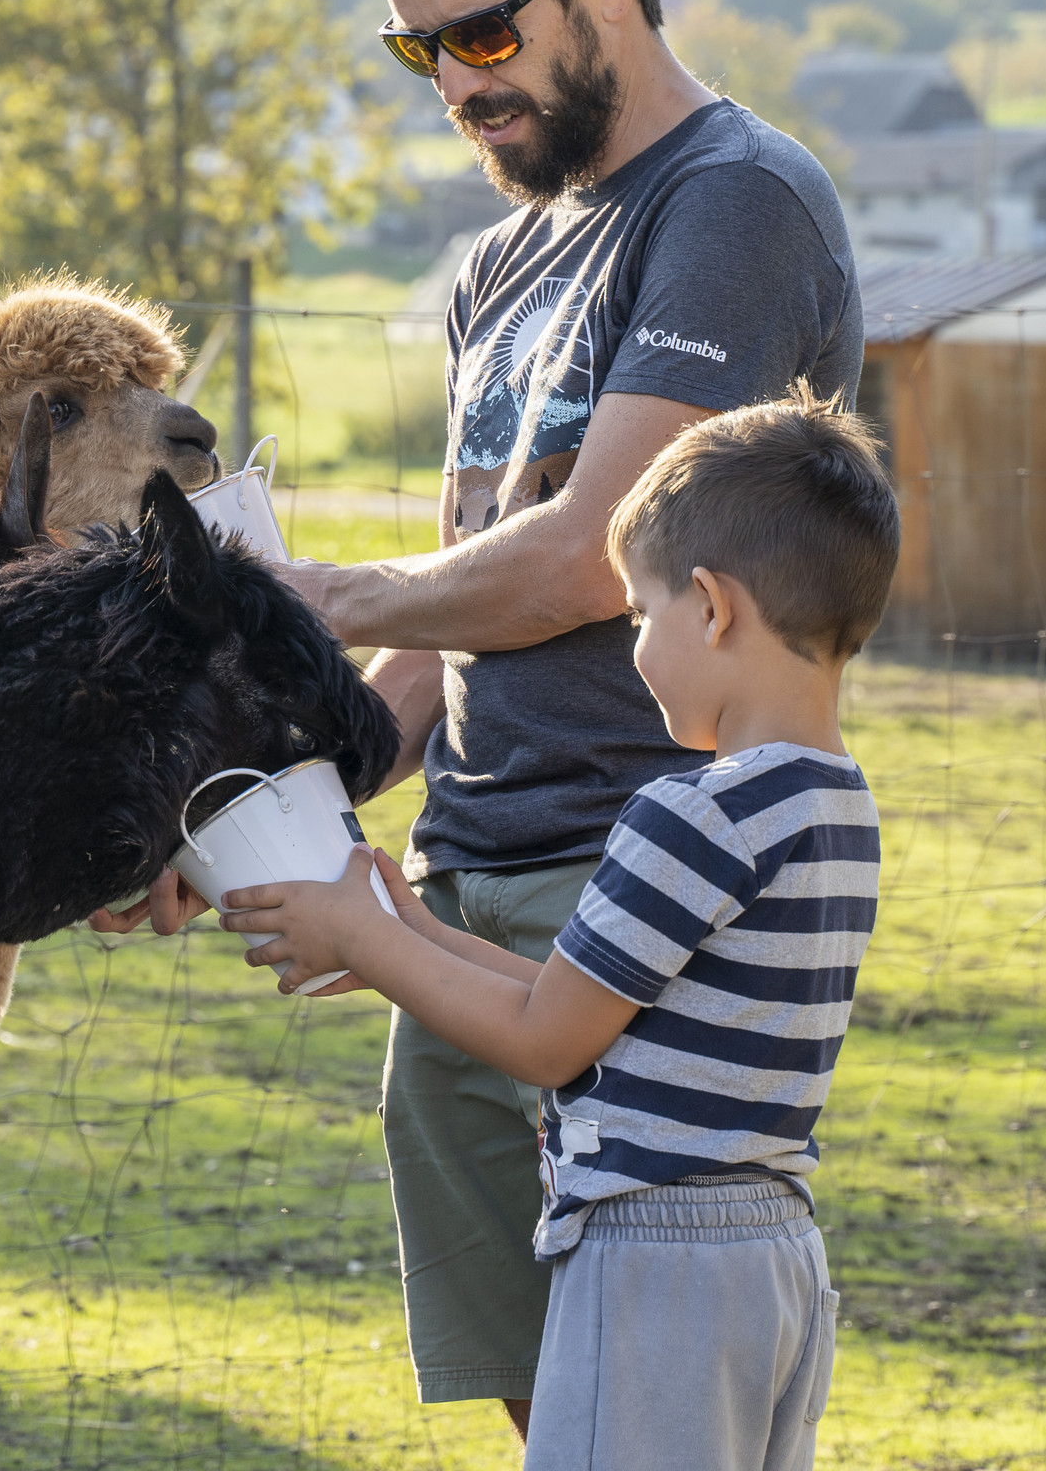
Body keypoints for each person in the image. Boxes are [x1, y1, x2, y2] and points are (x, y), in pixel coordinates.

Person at [97, 0, 863, 1430]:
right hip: (462, 893)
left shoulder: (733, 205)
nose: (457, 84)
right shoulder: (498, 270)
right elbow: (449, 633)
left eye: (485, 33)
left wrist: (304, 595)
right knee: (565, 1424)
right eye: (420, 51)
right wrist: (234, 813)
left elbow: (590, 557)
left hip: (636, 882)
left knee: (647, 1400)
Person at [218, 393, 892, 1470]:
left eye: (640, 615)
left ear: (711, 607)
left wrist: (365, 936)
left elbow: (544, 1039)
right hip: (772, 1256)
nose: (636, 647)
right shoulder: (831, 805)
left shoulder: (693, 813)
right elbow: (582, 997)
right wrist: (399, 926)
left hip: (657, 1259)